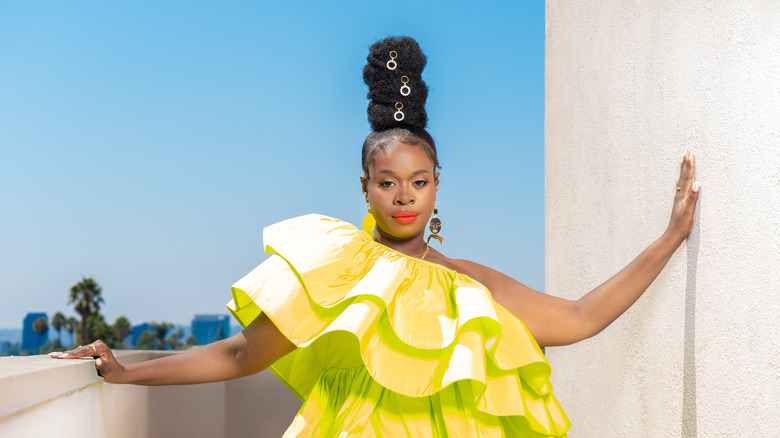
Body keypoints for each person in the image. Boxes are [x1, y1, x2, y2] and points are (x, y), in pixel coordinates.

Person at [51, 36, 699, 437]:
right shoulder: (338, 274)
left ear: (438, 185)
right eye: (387, 181)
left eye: (419, 181)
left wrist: (670, 238)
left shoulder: (467, 284)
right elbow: (240, 355)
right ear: (364, 187)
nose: (404, 196)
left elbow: (581, 316)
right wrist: (126, 375)